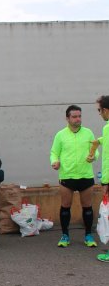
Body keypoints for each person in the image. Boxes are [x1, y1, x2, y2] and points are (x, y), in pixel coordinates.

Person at [49, 105, 98, 248]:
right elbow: (54, 152)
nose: (78, 119)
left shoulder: (88, 133)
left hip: (85, 175)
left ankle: (88, 235)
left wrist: (93, 156)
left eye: (80, 116)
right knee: (65, 207)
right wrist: (54, 161)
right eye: (74, 116)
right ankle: (65, 236)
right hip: (67, 176)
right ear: (67, 118)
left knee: (87, 207)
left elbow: (95, 151)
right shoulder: (60, 135)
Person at [95, 95, 109, 262]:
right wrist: (99, 141)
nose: (99, 114)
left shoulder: (107, 127)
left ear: (106, 110)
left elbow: (107, 158)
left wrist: (105, 181)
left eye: (99, 110)